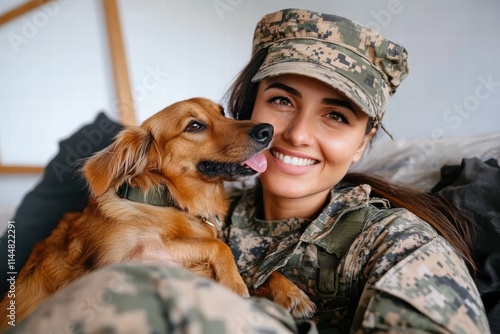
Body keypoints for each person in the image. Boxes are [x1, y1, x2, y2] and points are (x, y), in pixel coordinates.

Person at [0, 8, 490, 334]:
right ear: (247, 111)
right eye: (281, 100)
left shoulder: (398, 243)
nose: (296, 134)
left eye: (336, 116)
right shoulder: (199, 208)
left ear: (363, 144)